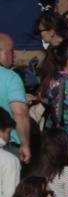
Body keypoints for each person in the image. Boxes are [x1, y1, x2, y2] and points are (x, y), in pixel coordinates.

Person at [0, 34, 32, 162]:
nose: (14, 55)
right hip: (7, 145)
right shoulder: (11, 77)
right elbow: (20, 113)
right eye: (11, 51)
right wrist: (25, 144)